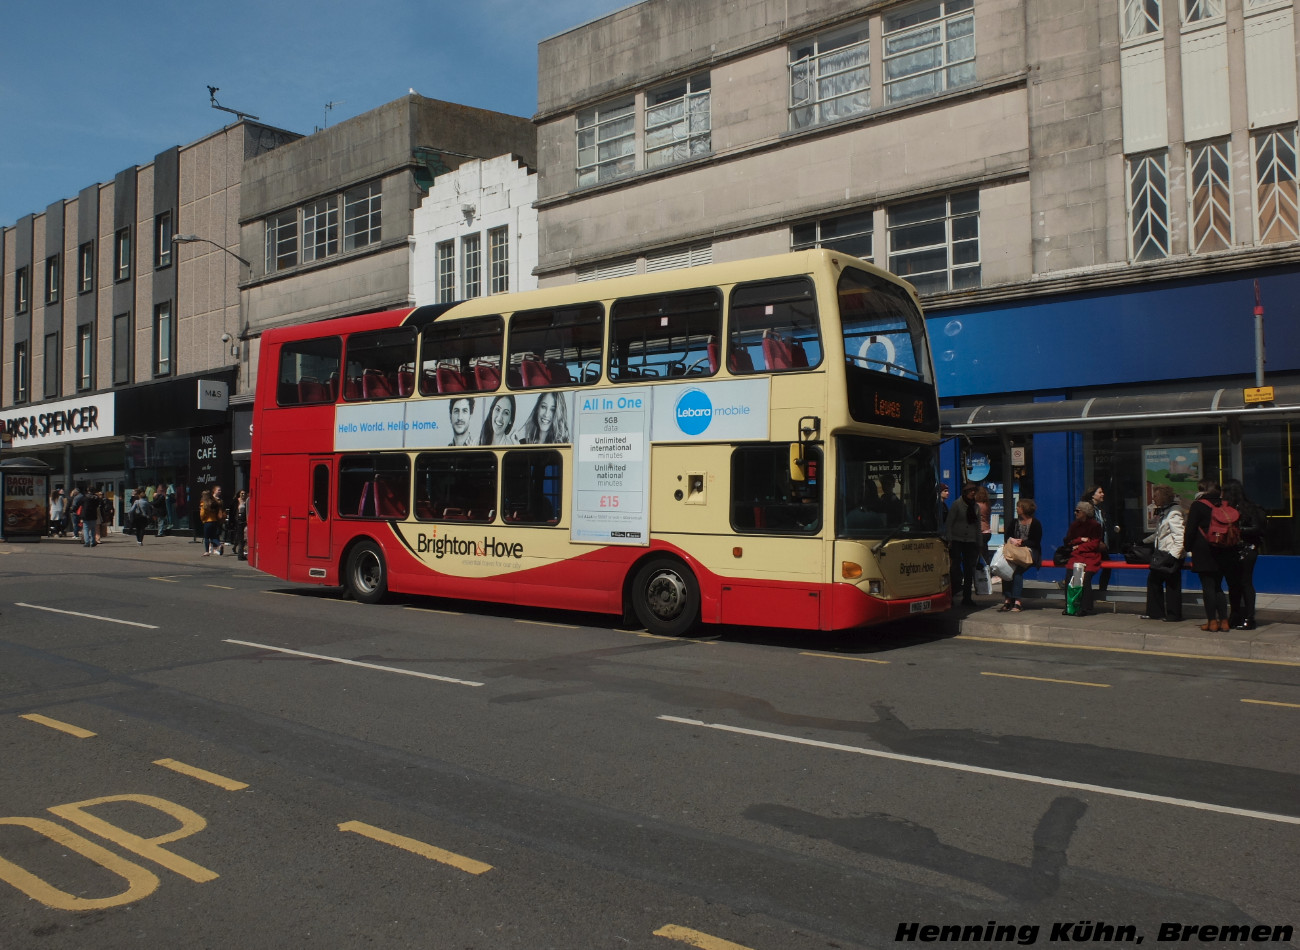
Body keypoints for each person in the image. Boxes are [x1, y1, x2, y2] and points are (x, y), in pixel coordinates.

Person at [1183, 478, 1230, 631]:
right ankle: (1224, 621)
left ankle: (1212, 622)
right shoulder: (1224, 504)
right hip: (1222, 549)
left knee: (1208, 587)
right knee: (1218, 587)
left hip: (1203, 550)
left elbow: (1190, 530)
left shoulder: (1198, 505)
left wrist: (1188, 547)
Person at [1222, 478, 1264, 630]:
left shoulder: (1249, 508)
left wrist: (1237, 530)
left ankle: (1249, 617)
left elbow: (1257, 528)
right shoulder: (1226, 509)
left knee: (1245, 582)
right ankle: (1235, 615)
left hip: (1247, 549)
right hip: (1231, 550)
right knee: (1233, 584)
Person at [1140, 484, 1185, 622]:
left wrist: (1173, 556)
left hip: (1170, 554)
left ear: (1165, 497)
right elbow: (1159, 534)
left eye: (1156, 495)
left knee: (1171, 585)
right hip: (1163, 553)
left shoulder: (1174, 512)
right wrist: (1143, 541)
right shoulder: (1165, 511)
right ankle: (1156, 612)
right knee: (1154, 581)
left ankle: (1172, 615)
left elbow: (1180, 536)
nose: (1153, 498)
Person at [1061, 500, 1104, 616]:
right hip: (1076, 556)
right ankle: (1070, 605)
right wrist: (1080, 540)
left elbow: (1094, 544)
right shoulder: (1074, 525)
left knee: (1085, 578)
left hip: (1090, 556)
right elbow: (1069, 541)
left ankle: (1085, 607)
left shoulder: (1095, 525)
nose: (1075, 513)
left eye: (1078, 511)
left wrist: (1078, 547)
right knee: (1070, 577)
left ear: (1085, 512)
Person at [998, 498, 1042, 612]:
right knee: (1006, 569)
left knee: (1017, 571)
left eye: (1019, 507)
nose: (1017, 509)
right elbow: (1007, 536)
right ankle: (1008, 599)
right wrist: (1013, 541)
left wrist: (1022, 542)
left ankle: (1017, 601)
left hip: (1029, 553)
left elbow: (1035, 541)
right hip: (1014, 552)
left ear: (1024, 509)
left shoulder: (1035, 523)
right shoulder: (1014, 522)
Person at [945, 482, 982, 607]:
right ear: (965, 492)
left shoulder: (976, 507)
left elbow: (978, 526)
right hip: (957, 539)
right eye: (971, 491)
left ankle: (967, 598)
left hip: (970, 541)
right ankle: (950, 596)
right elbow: (949, 523)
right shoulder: (957, 504)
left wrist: (979, 542)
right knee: (954, 568)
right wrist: (949, 539)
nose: (973, 493)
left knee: (969, 570)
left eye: (974, 491)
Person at [1081, 485, 1113, 593]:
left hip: (1100, 545)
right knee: (1089, 570)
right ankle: (1086, 593)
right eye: (1100, 492)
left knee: (1107, 567)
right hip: (1092, 545)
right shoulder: (1087, 509)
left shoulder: (1099, 509)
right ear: (1092, 495)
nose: (1102, 494)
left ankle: (1101, 591)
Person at [199, 489, 223, 556]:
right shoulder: (214, 503)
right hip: (214, 521)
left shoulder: (203, 503)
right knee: (213, 537)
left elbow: (202, 514)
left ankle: (207, 551)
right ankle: (219, 545)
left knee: (207, 537)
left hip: (207, 521)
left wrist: (202, 519)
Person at [232, 489, 250, 560]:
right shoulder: (236, 501)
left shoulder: (247, 501)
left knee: (244, 538)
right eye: (242, 493)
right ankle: (240, 555)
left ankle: (242, 553)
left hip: (245, 520)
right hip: (239, 520)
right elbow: (233, 511)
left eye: (244, 493)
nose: (243, 495)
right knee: (240, 538)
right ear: (239, 494)